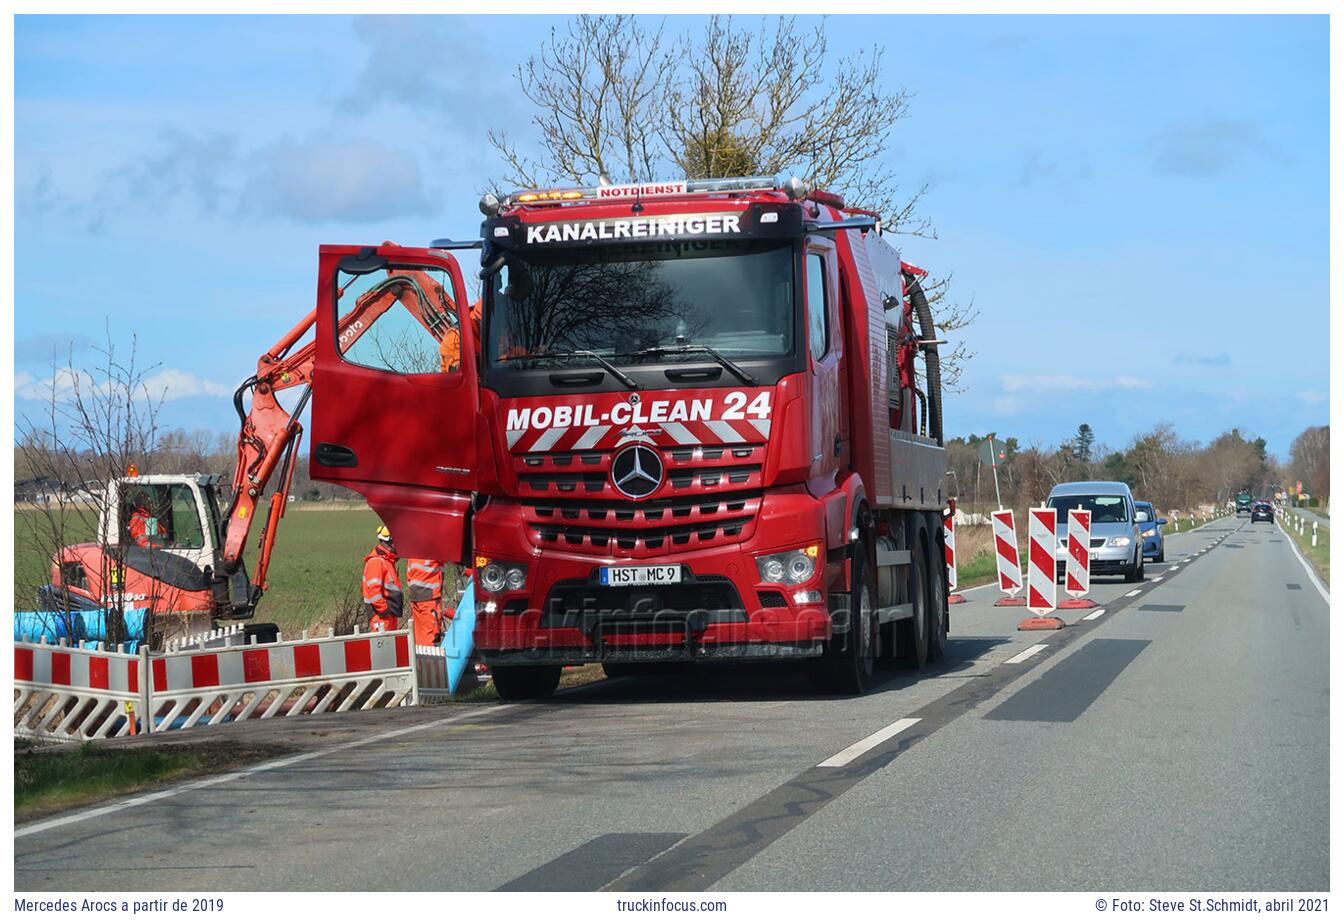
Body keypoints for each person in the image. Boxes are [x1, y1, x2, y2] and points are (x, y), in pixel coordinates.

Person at [362, 526, 403, 632]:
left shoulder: (387, 561)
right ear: (389, 541)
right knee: (384, 647)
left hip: (388, 616)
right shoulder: (377, 562)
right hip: (381, 617)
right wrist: (384, 610)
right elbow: (374, 591)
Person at [405, 558, 446, 646]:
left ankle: (419, 657)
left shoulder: (412, 553)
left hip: (415, 598)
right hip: (429, 598)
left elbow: (408, 576)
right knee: (431, 636)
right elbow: (450, 556)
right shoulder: (433, 550)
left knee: (419, 636)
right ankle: (429, 658)